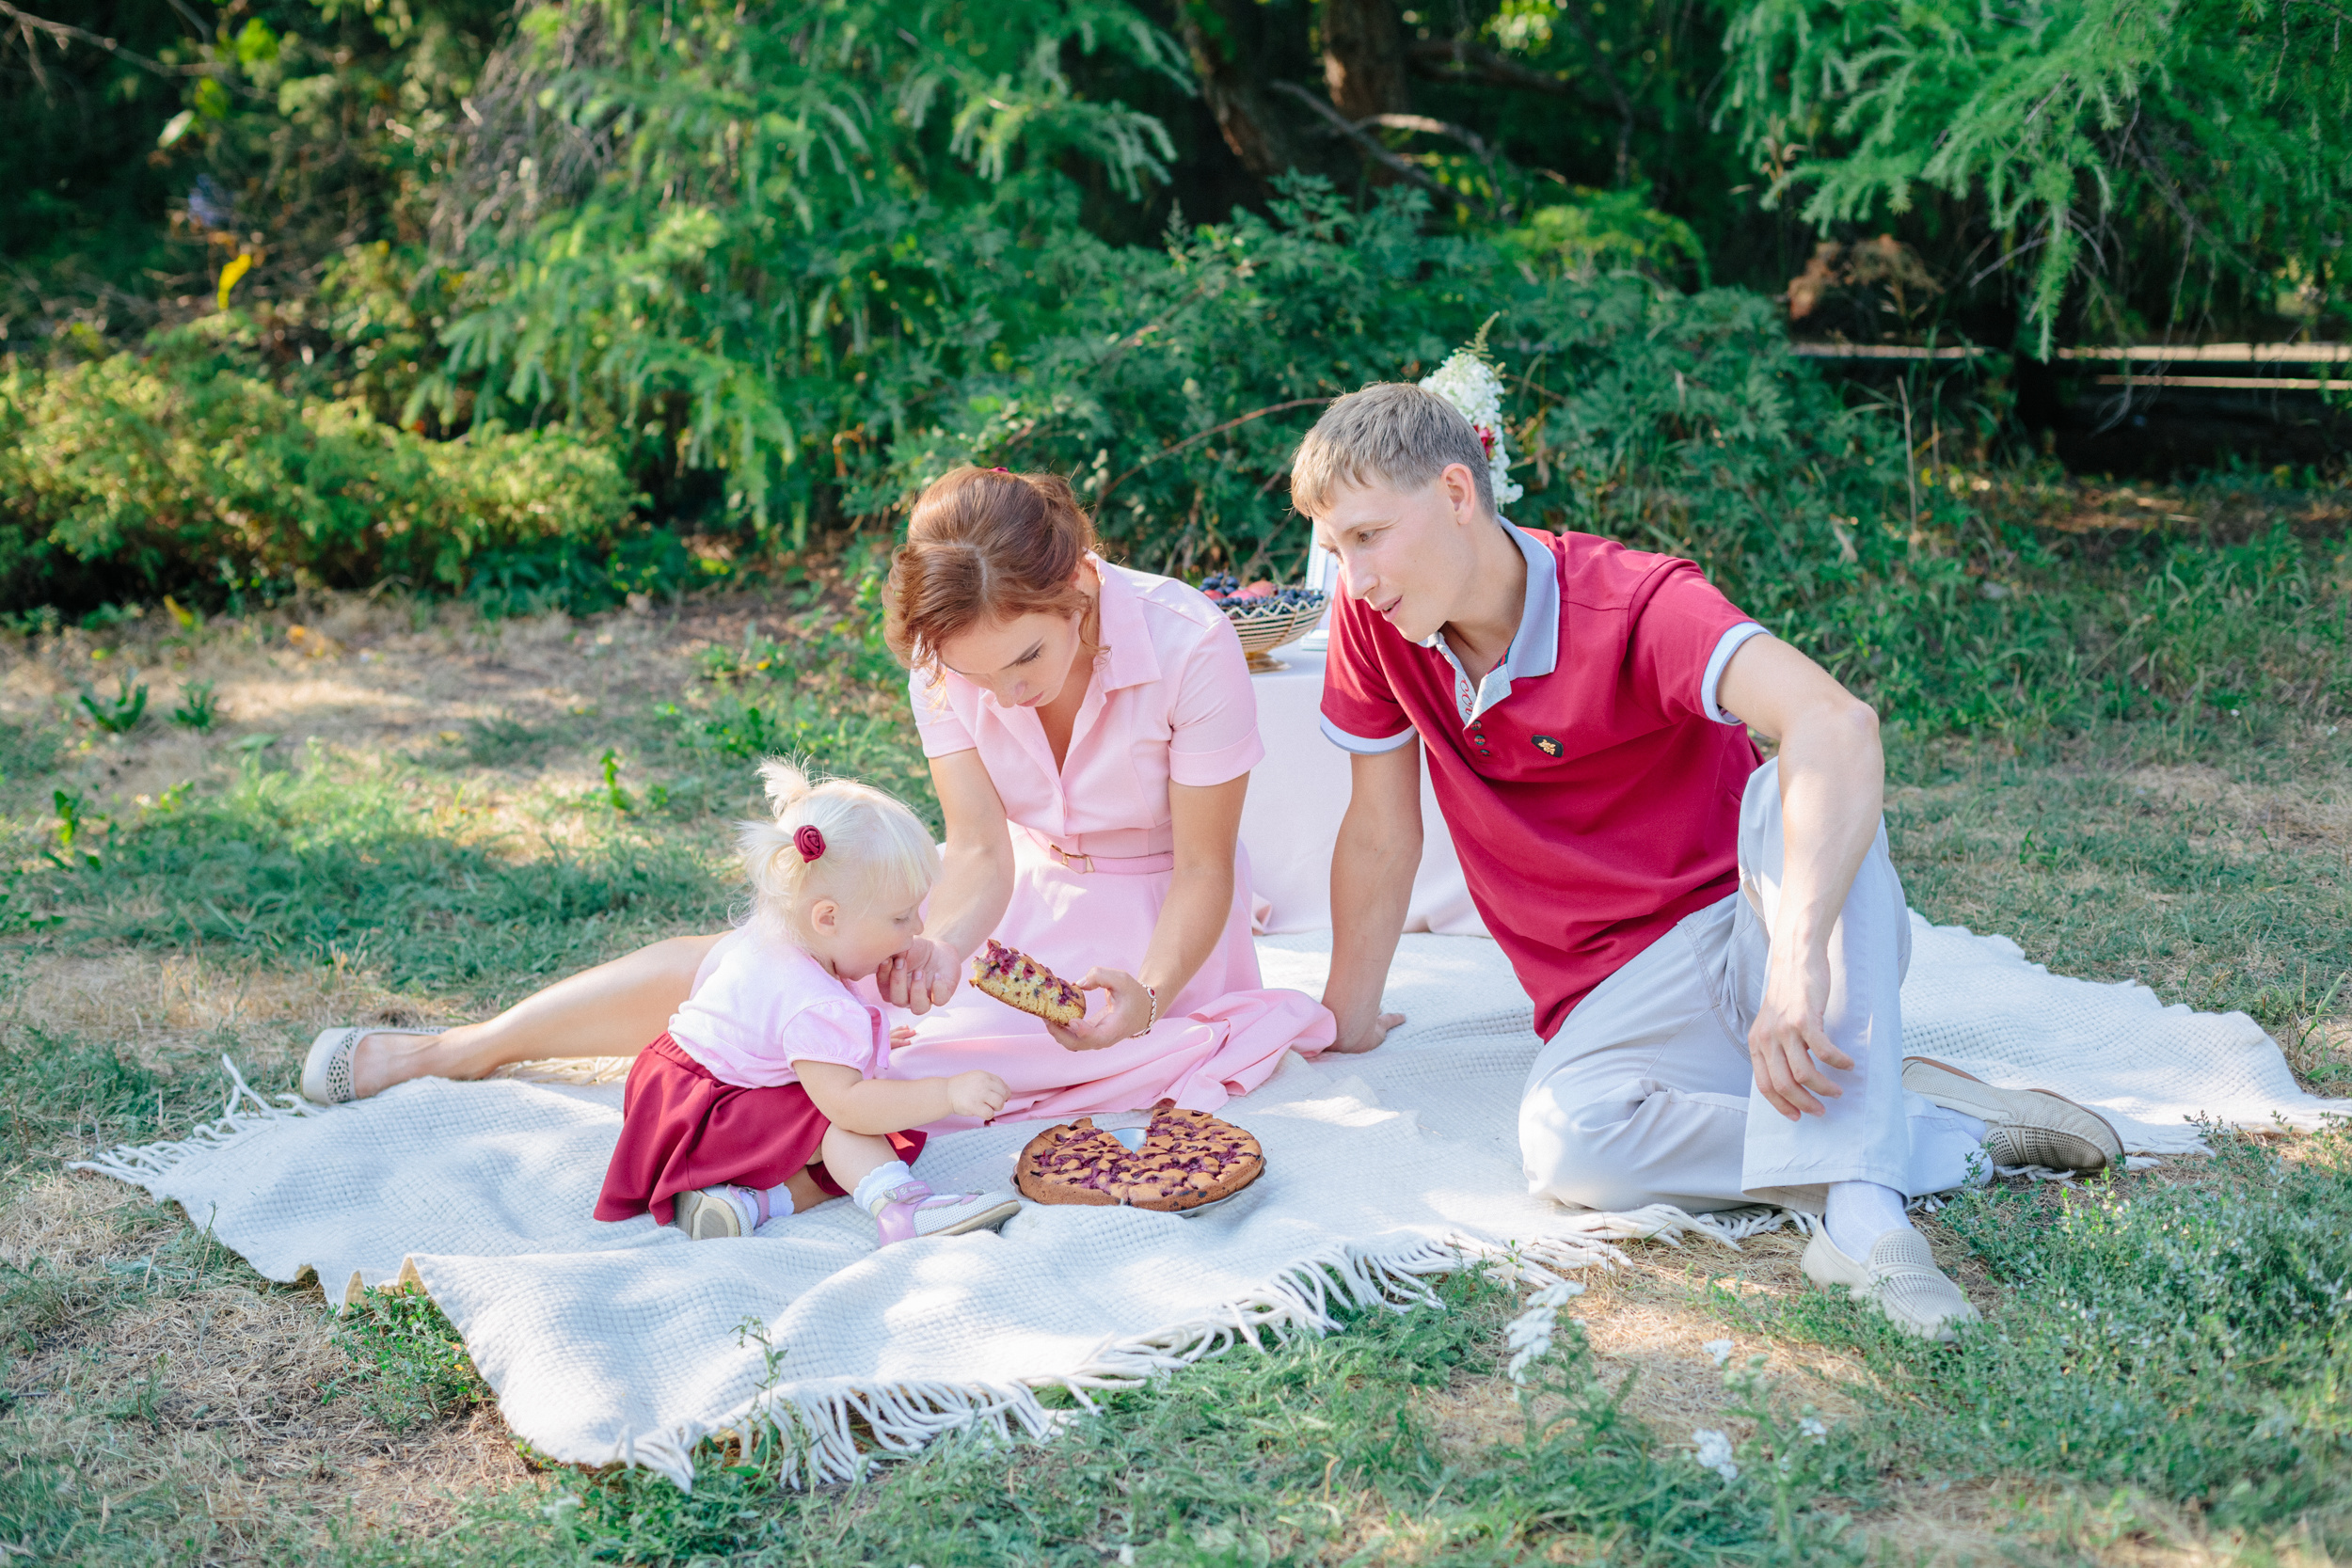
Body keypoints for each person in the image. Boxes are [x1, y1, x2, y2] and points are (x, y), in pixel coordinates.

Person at [1292, 383, 2122, 1341]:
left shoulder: (1634, 600)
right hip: (1610, 994)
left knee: (1797, 777)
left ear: (1453, 492)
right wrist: (1347, 1018)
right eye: (1333, 545)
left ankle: (1864, 1221)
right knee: (1567, 1148)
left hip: (1748, 929)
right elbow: (1380, 828)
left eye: (1366, 536)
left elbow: (1838, 722)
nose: (1350, 577)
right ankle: (1936, 1130)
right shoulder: (1376, 621)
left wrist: (1796, 957)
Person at [301, 467, 1332, 1125]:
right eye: (982, 678)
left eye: (1027, 658)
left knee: (872, 1070)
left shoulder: (1192, 639)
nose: (1009, 693)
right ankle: (466, 1046)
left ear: (1079, 593)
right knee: (771, 969)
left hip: (1158, 934)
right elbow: (977, 845)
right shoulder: (947, 663)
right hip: (1009, 908)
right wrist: (941, 945)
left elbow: (1205, 865)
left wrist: (1141, 994)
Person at [595, 760, 1022, 1243]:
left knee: (850, 1111)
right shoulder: (818, 1004)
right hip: (707, 1121)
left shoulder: (767, 938)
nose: (918, 929)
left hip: (667, 1101)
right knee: (861, 1121)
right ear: (828, 919)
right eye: (902, 917)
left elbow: (758, 1032)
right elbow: (850, 1106)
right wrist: (946, 1092)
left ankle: (750, 1203)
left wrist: (858, 1044)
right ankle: (902, 1208)